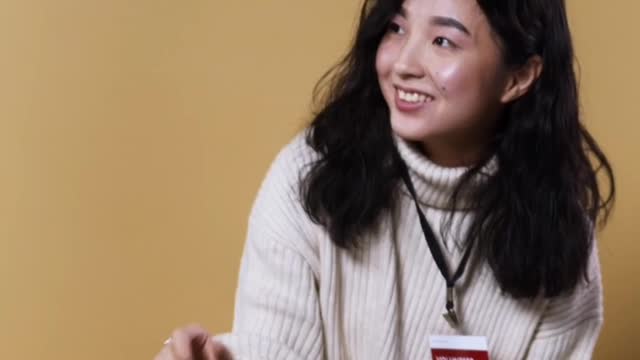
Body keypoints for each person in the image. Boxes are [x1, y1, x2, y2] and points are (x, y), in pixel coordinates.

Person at [154, 0, 615, 358]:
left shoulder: (558, 228)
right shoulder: (311, 177)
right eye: (396, 28)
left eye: (443, 41)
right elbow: (273, 346)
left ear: (518, 77)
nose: (403, 64)